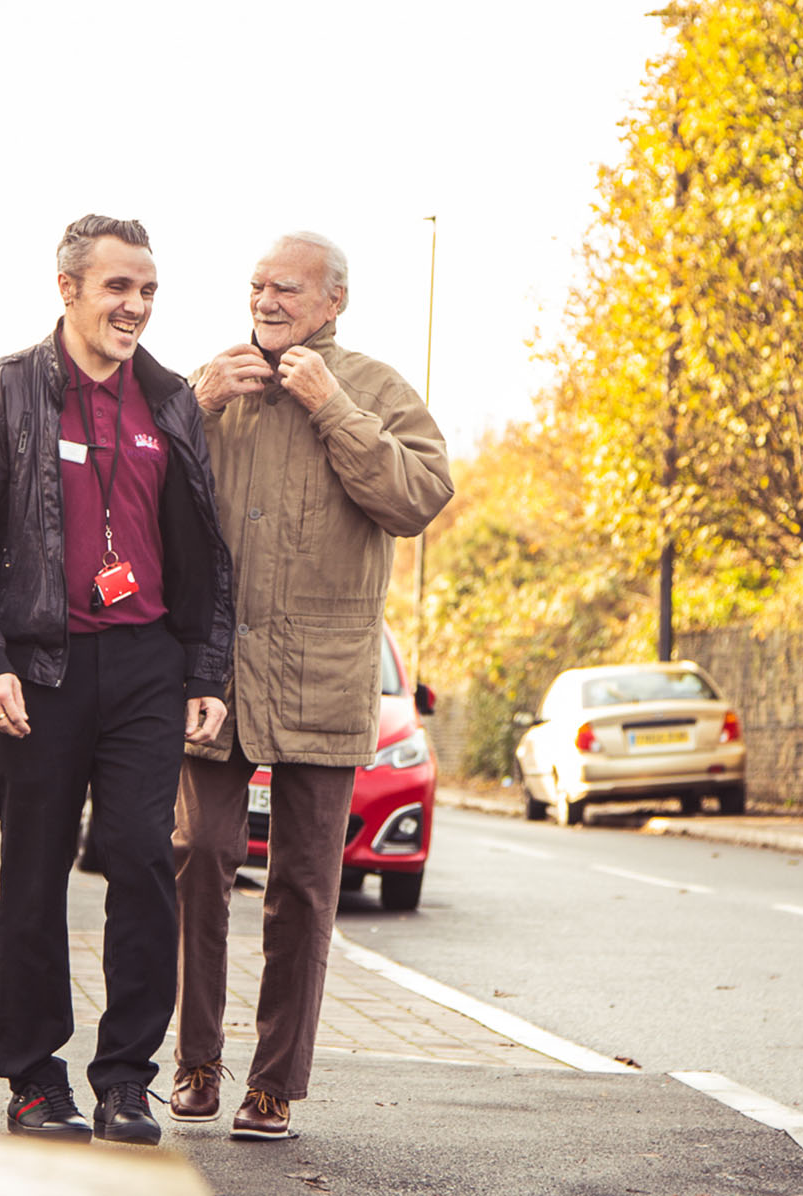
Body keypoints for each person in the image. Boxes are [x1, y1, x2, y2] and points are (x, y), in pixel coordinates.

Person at [0, 215, 235, 1146]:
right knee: (35, 871)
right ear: (68, 288)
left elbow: (207, 552)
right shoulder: (3, 394)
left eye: (147, 290)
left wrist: (205, 669)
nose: (135, 306)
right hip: (41, 669)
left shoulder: (170, 400)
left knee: (145, 858)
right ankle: (34, 1080)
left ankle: (124, 1080)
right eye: (118, 288)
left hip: (146, 663)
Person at [170, 232, 453, 1141]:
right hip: (215, 674)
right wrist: (191, 403)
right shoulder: (209, 387)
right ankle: (195, 1064)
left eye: (286, 288)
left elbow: (416, 499)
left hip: (324, 680)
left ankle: (273, 1084)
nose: (267, 299)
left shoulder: (374, 388)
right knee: (199, 856)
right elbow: (135, 485)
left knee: (302, 884)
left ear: (334, 301)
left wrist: (335, 410)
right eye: (257, 285)